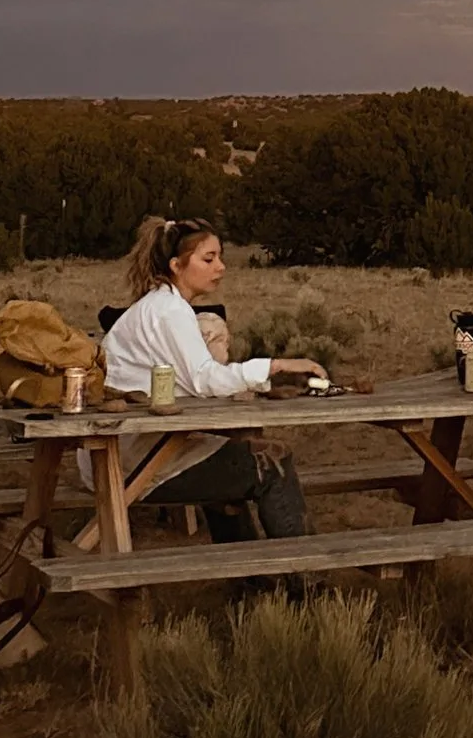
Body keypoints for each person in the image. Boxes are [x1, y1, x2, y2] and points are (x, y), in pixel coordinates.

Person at [99, 215, 322, 542]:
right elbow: (205, 380)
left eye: (220, 257)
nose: (220, 267)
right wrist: (275, 366)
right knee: (272, 461)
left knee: (234, 457)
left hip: (126, 452)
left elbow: (194, 381)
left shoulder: (161, 305)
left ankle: (249, 581)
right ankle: (304, 582)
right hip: (132, 462)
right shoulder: (169, 311)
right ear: (177, 265)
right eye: (208, 259)